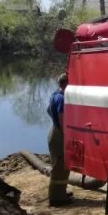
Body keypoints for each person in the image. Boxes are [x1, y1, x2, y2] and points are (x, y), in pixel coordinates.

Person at [46, 73, 72, 206]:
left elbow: (48, 110)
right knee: (60, 166)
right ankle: (56, 199)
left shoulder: (54, 95)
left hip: (53, 131)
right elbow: (63, 120)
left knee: (60, 164)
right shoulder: (62, 99)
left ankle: (60, 193)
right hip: (59, 134)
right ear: (66, 84)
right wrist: (67, 136)